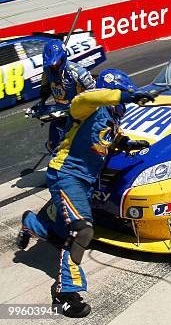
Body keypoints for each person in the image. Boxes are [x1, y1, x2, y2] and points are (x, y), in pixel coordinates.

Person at [16, 69, 154, 318]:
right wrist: (125, 96)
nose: (125, 102)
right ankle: (65, 293)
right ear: (110, 93)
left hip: (84, 181)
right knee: (82, 230)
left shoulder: (112, 119)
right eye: (123, 95)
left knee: (58, 232)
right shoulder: (86, 106)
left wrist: (128, 144)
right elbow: (85, 100)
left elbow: (108, 139)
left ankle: (30, 222)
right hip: (67, 175)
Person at [32, 39, 95, 153]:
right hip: (61, 112)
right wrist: (41, 103)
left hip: (81, 114)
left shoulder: (78, 73)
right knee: (53, 144)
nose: (53, 67)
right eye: (50, 64)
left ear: (63, 57)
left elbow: (95, 93)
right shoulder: (47, 70)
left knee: (82, 146)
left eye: (56, 63)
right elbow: (45, 88)